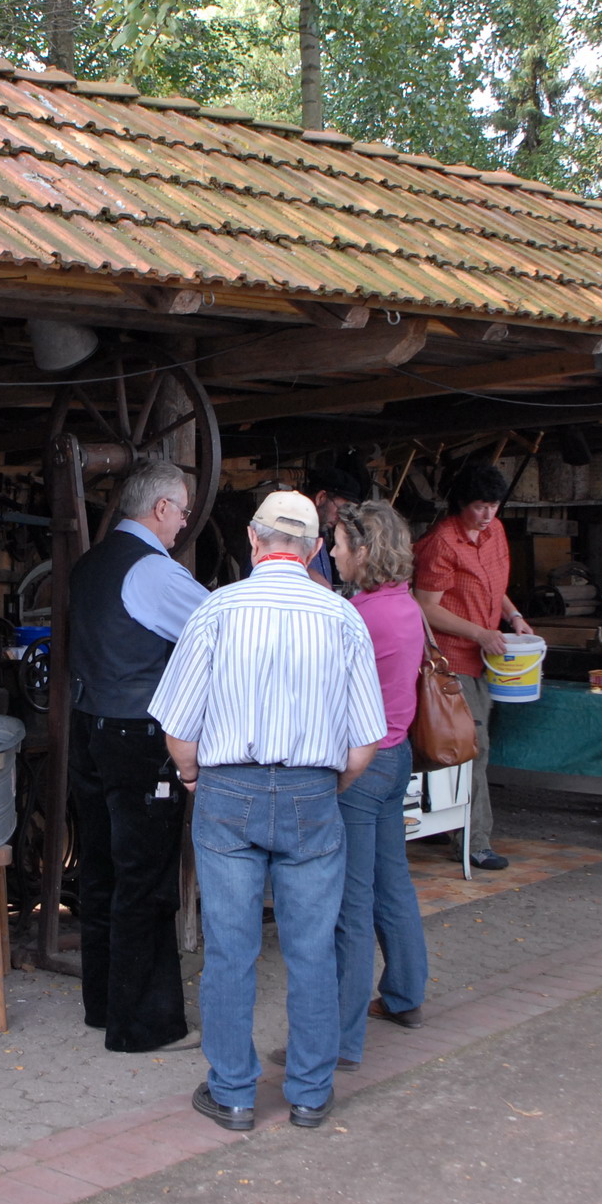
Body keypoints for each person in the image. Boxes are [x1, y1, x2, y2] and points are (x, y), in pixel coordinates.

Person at [151, 491, 386, 1133]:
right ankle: (310, 1094)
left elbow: (178, 729)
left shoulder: (216, 610)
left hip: (227, 792)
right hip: (314, 792)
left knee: (231, 949)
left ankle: (232, 1093)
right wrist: (323, 786)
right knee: (311, 948)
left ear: (254, 542)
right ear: (314, 550)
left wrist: (194, 776)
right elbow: (365, 742)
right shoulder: (342, 618)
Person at [66, 459, 210, 1053]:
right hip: (139, 738)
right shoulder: (153, 571)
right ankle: (142, 1027)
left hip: (89, 729)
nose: (182, 523)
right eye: (180, 510)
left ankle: (103, 1005)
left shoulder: (89, 564)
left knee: (99, 873)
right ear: (158, 509)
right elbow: (220, 627)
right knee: (146, 880)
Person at [328, 500, 431, 1055]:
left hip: (361, 767)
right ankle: (404, 993)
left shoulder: (359, 615)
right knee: (393, 882)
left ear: (364, 551)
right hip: (396, 759)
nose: (335, 554)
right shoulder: (405, 606)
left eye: (340, 545)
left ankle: (339, 1041)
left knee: (351, 902)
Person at [412, 463, 528, 871]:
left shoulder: (495, 532)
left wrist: (513, 616)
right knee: (469, 747)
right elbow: (426, 608)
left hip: (484, 657)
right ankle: (474, 839)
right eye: (479, 507)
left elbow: (495, 586)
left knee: (473, 745)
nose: (487, 515)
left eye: (493, 506)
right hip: (449, 659)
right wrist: (480, 632)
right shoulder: (441, 543)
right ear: (462, 504)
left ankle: (457, 825)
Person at [303, 460, 369, 587]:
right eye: (340, 510)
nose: (340, 518)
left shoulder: (321, 532)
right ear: (321, 497)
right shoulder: (292, 531)